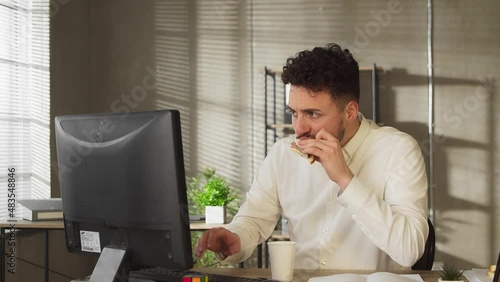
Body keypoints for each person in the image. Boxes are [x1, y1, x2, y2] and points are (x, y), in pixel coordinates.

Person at [195, 43, 429, 270]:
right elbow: (254, 221)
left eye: (313, 114)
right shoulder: (282, 154)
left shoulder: (399, 150)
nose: (298, 128)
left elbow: (409, 250)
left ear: (350, 111)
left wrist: (346, 180)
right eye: (294, 113)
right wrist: (234, 238)